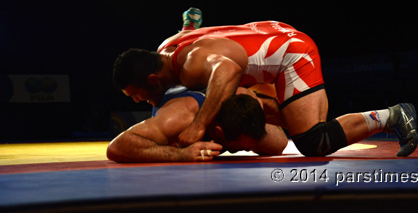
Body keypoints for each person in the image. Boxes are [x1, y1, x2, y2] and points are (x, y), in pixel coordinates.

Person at [113, 8, 418, 157]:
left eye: (137, 95)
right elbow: (188, 27)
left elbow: (227, 71)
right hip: (268, 33)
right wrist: (191, 22)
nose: (139, 101)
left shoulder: (191, 67)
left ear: (153, 80)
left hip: (291, 54)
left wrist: (197, 126)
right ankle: (292, 109)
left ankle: (393, 115)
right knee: (251, 105)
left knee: (313, 141)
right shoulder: (168, 47)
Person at [107, 85, 288, 162]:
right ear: (219, 132)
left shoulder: (247, 101)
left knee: (276, 144)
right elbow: (116, 148)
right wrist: (179, 154)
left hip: (218, 92)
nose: (249, 150)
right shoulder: (181, 116)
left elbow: (279, 143)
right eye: (241, 147)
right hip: (177, 93)